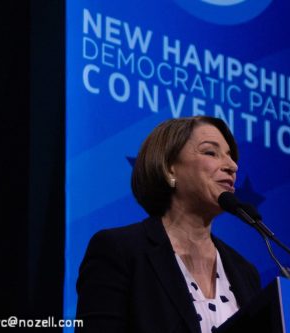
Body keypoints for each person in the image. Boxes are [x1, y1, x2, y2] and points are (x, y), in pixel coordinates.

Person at [75, 116, 261, 333]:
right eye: (211, 152)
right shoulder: (119, 251)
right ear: (169, 169)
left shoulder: (245, 272)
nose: (232, 166)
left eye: (231, 157)